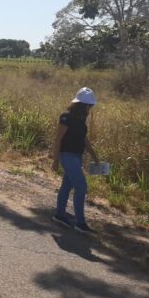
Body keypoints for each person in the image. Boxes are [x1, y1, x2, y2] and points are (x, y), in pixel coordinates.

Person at [51, 87, 100, 234]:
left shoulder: (81, 120)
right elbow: (58, 139)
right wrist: (55, 160)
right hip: (68, 156)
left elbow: (83, 139)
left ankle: (59, 215)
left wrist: (94, 155)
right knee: (81, 187)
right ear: (82, 105)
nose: (90, 108)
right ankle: (80, 223)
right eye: (89, 105)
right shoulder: (66, 117)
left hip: (76, 157)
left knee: (66, 185)